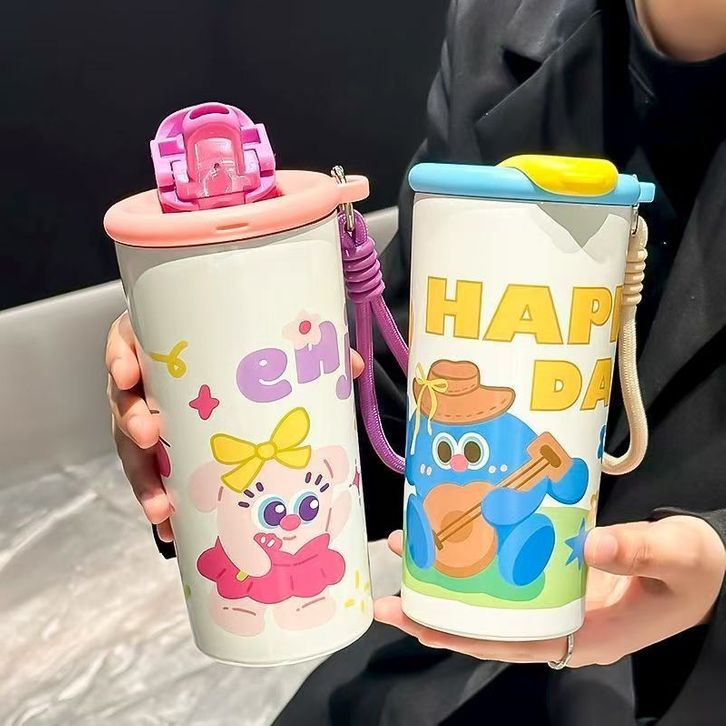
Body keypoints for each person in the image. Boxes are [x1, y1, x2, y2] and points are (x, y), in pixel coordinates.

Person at [106, 0, 726, 722]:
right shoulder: (496, 23)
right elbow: (399, 392)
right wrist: (230, 388)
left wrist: (717, 560)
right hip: (458, 629)